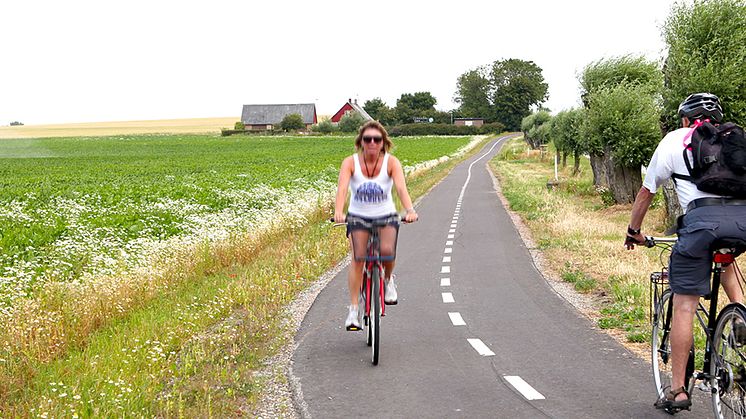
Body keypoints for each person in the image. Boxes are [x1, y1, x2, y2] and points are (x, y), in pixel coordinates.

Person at [625, 93, 746, 411]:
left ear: (685, 119)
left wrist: (633, 232)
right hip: (742, 221)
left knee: (684, 306)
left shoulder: (675, 140)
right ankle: (739, 319)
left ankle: (678, 390)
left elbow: (646, 192)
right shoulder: (733, 139)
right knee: (727, 257)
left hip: (700, 223)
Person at [334, 120, 418, 331]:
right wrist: (338, 212)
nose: (372, 142)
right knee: (358, 258)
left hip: (385, 215)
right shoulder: (350, 162)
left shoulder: (391, 163)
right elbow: (342, 189)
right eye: (367, 139)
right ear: (361, 142)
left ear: (383, 143)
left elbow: (401, 188)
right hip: (358, 216)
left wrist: (409, 210)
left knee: (387, 251)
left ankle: (388, 280)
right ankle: (354, 310)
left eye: (377, 139)